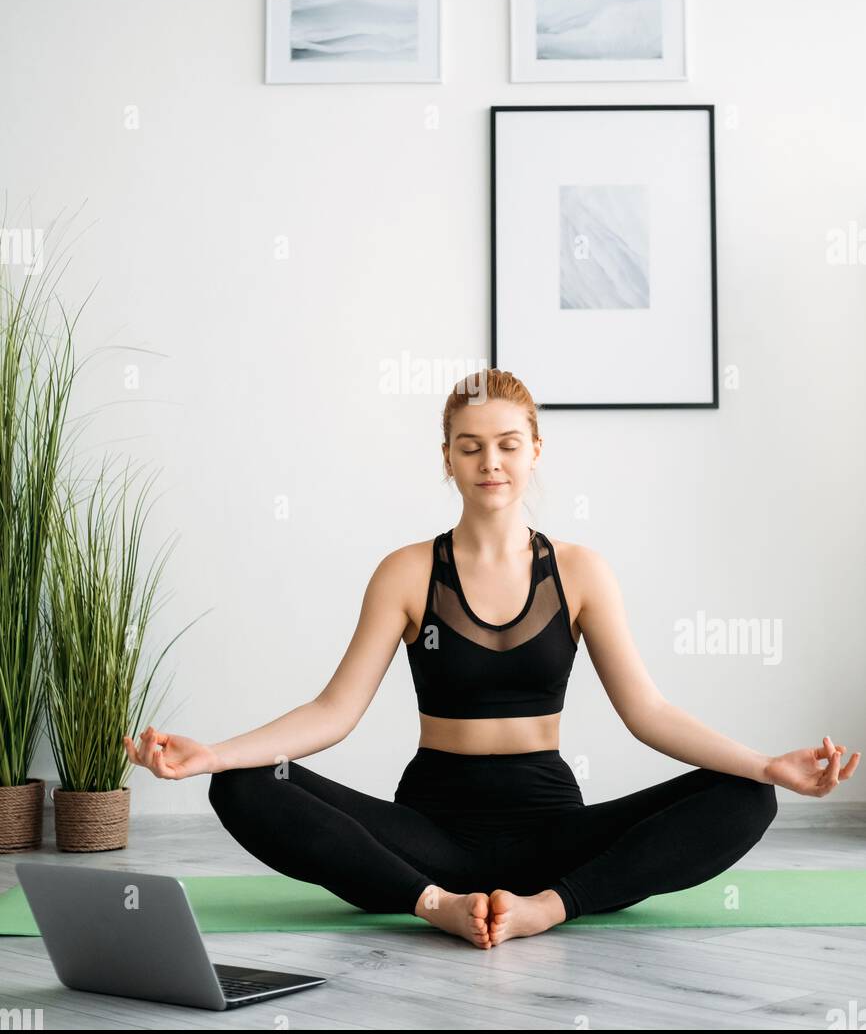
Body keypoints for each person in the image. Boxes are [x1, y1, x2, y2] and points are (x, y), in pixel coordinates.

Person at [125, 368, 860, 950]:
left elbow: (649, 713)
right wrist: (213, 756)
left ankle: (548, 909)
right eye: (470, 445)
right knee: (244, 787)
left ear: (535, 449)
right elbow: (333, 712)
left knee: (745, 797)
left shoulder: (582, 571)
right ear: (446, 458)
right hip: (429, 838)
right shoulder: (407, 571)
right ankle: (436, 908)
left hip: (551, 835)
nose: (490, 461)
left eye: (508, 443)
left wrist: (767, 766)